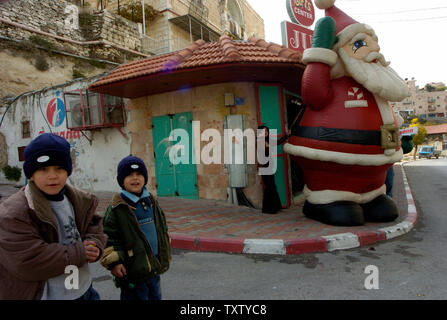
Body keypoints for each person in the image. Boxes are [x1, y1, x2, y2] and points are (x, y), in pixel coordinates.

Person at [284, 0, 410, 226]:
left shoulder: (374, 83)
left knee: (381, 209)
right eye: (361, 43)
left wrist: (401, 139)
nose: (375, 51)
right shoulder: (334, 79)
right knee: (343, 211)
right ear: (338, 50)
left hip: (376, 174)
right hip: (330, 170)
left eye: (374, 43)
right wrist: (320, 52)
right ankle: (327, 200)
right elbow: (313, 94)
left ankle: (371, 197)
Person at [0, 133, 106, 300]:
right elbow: (28, 260)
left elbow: (94, 226)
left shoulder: (80, 200)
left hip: (84, 290)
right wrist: (80, 252)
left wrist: (95, 245)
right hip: (45, 295)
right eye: (43, 169)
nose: (52, 176)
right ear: (31, 174)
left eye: (59, 168)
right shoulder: (14, 212)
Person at [100, 155, 171, 300]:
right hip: (131, 271)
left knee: (155, 296)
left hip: (153, 266)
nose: (135, 178)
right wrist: (114, 263)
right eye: (129, 175)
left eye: (139, 174)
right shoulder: (117, 208)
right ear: (121, 180)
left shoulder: (151, 201)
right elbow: (108, 238)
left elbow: (161, 226)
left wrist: (165, 243)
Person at [257, 125, 290, 214]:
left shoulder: (267, 141)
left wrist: (286, 136)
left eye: (266, 131)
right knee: (269, 187)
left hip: (269, 166)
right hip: (264, 167)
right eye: (263, 131)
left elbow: (278, 142)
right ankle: (268, 209)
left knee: (272, 186)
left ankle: (276, 206)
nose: (266, 132)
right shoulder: (260, 142)